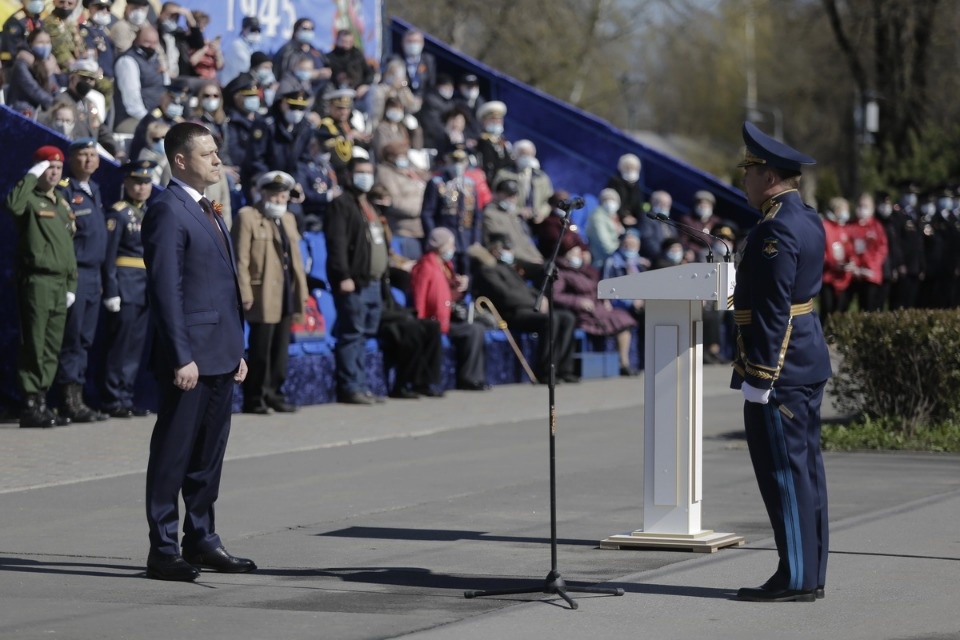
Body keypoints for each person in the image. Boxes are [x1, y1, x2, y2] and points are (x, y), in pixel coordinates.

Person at [141, 122, 254, 581]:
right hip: (188, 358)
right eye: (207, 154)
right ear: (181, 160)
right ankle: (164, 548)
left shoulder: (210, 210)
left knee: (209, 455)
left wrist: (236, 348)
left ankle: (202, 538)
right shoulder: (168, 209)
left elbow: (219, 289)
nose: (216, 160)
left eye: (216, 152)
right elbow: (167, 290)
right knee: (174, 453)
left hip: (221, 352)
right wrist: (180, 355)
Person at [732, 121, 832, 602]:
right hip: (807, 359)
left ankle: (795, 576)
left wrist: (761, 376)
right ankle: (809, 572)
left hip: (782, 368)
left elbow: (773, 307)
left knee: (785, 475)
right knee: (806, 470)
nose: (743, 180)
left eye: (748, 172)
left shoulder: (775, 229)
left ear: (768, 176)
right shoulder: (807, 218)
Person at [5, 145, 77, 429]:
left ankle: (43, 399)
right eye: (48, 167)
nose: (54, 172)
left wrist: (72, 283)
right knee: (34, 343)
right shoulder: (30, 200)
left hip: (61, 283)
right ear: (38, 170)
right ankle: (31, 401)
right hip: (38, 280)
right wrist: (30, 177)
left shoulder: (61, 203)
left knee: (51, 345)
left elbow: (69, 248)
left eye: (58, 168)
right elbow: (12, 205)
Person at [233, 171, 307, 414]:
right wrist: (244, 291)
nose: (279, 200)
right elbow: (240, 259)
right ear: (263, 194)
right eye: (274, 195)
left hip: (286, 290)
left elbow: (295, 258)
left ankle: (275, 393)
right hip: (262, 291)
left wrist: (301, 292)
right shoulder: (248, 217)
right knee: (261, 348)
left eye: (283, 195)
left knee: (280, 348)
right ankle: (256, 398)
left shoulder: (288, 219)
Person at [471, 235, 577, 384]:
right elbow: (505, 296)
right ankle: (546, 372)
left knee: (567, 318)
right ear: (495, 250)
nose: (510, 252)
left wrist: (541, 298)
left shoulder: (509, 267)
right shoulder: (487, 271)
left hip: (528, 308)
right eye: (506, 249)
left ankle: (565, 369)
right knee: (550, 320)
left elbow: (525, 289)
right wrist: (534, 302)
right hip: (512, 313)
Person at [325, 157, 388, 405]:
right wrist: (344, 275)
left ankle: (362, 385)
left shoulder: (368, 204)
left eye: (369, 172)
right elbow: (337, 244)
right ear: (349, 175)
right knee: (352, 334)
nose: (366, 177)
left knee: (364, 335)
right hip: (354, 282)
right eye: (360, 172)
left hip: (373, 282)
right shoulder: (341, 204)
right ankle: (351, 387)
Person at [54, 137, 108, 423]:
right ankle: (67, 400)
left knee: (85, 339)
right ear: (71, 159)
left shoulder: (95, 190)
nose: (88, 160)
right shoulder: (66, 191)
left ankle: (79, 396)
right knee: (72, 339)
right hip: (76, 272)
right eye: (83, 155)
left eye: (92, 154)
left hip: (94, 274)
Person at [101, 159, 156, 418]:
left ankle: (126, 395)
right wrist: (111, 290)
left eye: (146, 182)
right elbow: (109, 256)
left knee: (135, 347)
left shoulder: (150, 213)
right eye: (137, 182)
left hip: (143, 288)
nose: (142, 187)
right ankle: (113, 398)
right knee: (120, 345)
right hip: (124, 286)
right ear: (126, 183)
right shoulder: (118, 213)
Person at [411, 227, 489, 391]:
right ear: (440, 246)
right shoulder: (426, 266)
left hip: (448, 316)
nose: (453, 249)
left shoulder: (446, 265)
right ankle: (467, 378)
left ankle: (472, 377)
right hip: (434, 319)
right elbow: (420, 295)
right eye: (450, 245)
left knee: (477, 329)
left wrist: (460, 286)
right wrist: (419, 319)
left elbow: (448, 293)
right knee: (473, 331)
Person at [553, 244, 638, 376]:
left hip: (598, 308)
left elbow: (597, 289)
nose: (578, 256)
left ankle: (624, 363)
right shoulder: (562, 273)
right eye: (573, 253)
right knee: (619, 319)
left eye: (579, 253)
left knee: (624, 318)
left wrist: (605, 299)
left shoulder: (588, 271)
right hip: (582, 312)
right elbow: (556, 296)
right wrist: (578, 301)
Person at [113, 24, 166, 134]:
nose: (151, 46)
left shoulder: (155, 60)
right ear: (136, 41)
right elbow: (132, 101)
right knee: (163, 134)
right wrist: (151, 121)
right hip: (131, 119)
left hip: (157, 116)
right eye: (147, 42)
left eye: (154, 43)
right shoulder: (127, 61)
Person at [847, 193, 889, 312]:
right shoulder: (851, 226)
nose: (862, 209)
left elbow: (882, 249)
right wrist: (855, 265)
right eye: (860, 206)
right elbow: (848, 246)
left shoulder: (876, 227)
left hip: (871, 275)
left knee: (870, 306)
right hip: (854, 274)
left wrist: (870, 265)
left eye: (866, 206)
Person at [820, 197, 853, 326]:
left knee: (840, 312)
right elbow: (820, 251)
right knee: (827, 309)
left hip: (843, 278)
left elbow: (850, 249)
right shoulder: (824, 226)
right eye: (843, 210)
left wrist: (851, 261)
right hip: (828, 277)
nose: (845, 213)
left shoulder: (844, 228)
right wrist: (832, 263)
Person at [474, 100, 511, 185]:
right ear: (484, 121)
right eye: (493, 119)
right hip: (491, 183)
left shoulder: (503, 140)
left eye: (499, 119)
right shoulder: (483, 141)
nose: (497, 122)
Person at [586, 188, 624, 269]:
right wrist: (621, 253)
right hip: (602, 262)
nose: (609, 202)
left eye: (612, 199)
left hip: (614, 259)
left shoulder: (614, 216)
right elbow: (604, 244)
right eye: (606, 200)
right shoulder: (597, 216)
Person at [604, 153, 645, 228]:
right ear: (621, 167)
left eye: (633, 168)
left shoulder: (636, 186)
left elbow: (638, 206)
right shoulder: (615, 181)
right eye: (627, 167)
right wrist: (623, 217)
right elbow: (610, 200)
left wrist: (635, 218)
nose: (630, 170)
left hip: (632, 222)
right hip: (614, 217)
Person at [220, 15, 260, 85]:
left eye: (258, 30)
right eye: (252, 30)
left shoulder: (251, 46)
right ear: (243, 29)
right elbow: (247, 65)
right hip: (230, 85)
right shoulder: (236, 45)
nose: (255, 33)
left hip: (241, 83)